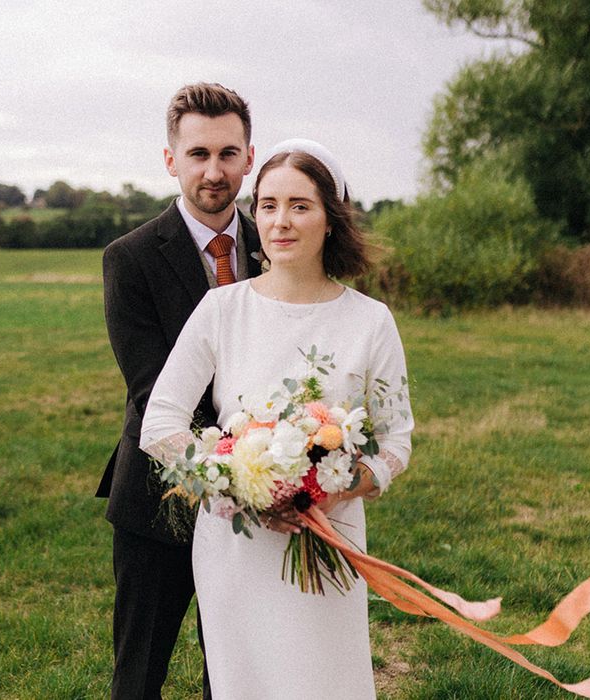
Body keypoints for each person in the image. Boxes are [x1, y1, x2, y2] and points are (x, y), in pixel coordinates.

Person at [140, 139, 414, 699]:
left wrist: (330, 491)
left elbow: (394, 444)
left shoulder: (370, 321)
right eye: (267, 205)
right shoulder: (222, 309)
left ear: (331, 220)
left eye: (300, 205)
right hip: (237, 547)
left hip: (331, 538)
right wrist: (238, 487)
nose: (280, 222)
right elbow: (160, 424)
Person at [96, 82, 261, 700]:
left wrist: (278, 468)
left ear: (249, 156)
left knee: (237, 670)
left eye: (227, 153)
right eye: (198, 154)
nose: (213, 172)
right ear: (172, 159)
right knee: (139, 675)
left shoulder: (276, 247)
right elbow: (153, 388)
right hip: (156, 499)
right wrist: (245, 460)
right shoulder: (130, 258)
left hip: (261, 503)